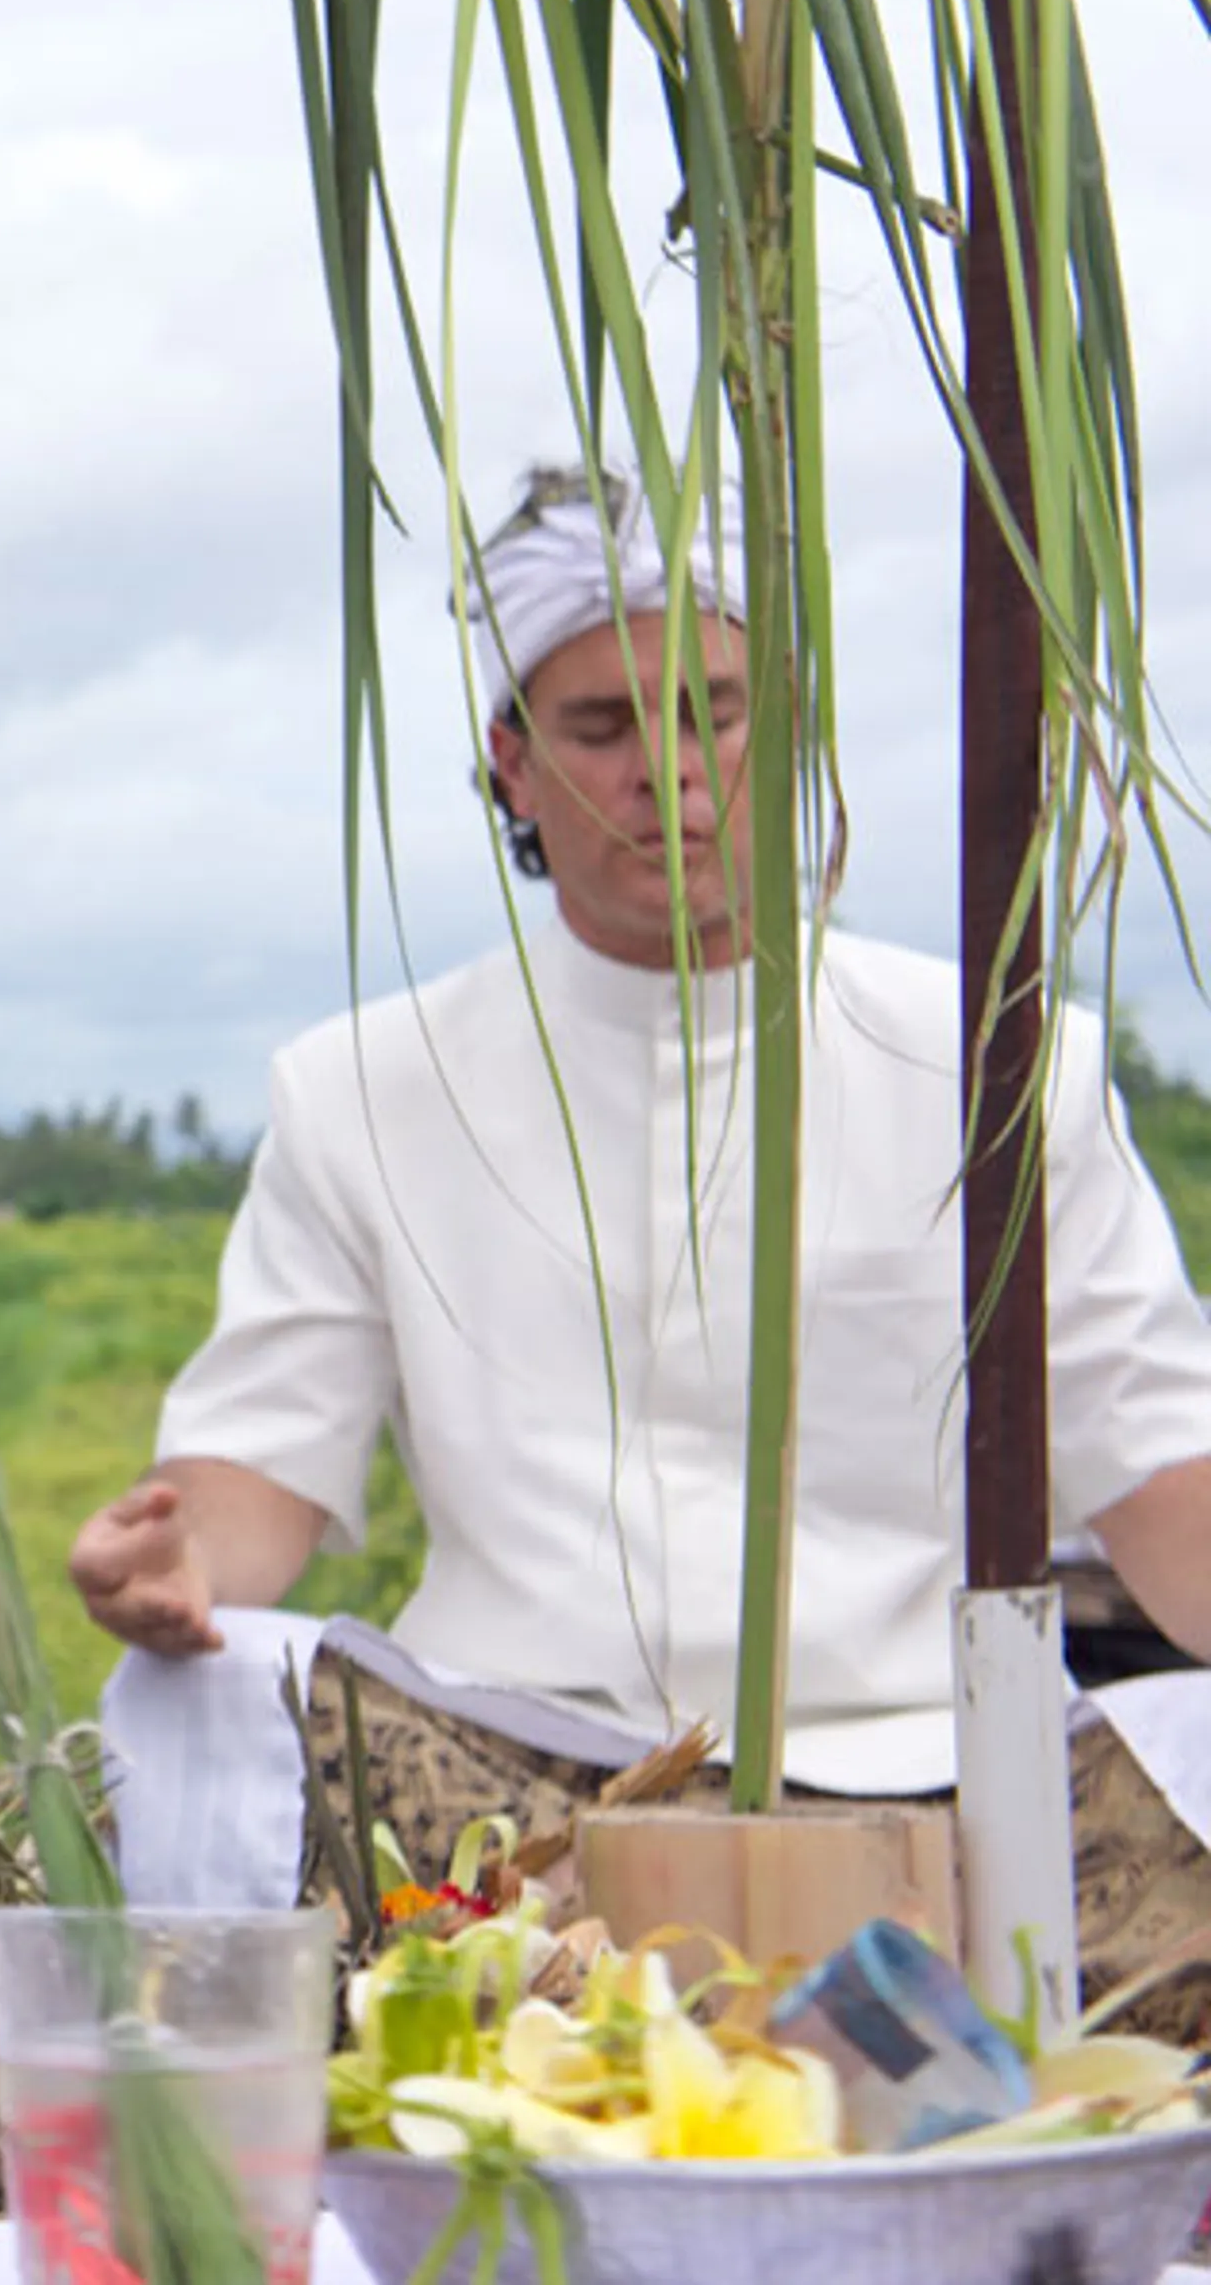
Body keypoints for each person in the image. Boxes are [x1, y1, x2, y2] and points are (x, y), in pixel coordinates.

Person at [65, 466, 1211, 1962]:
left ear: (787, 725)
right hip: (506, 1799)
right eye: (600, 729)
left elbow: (1161, 1469)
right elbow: (253, 1488)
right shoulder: (365, 1087)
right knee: (195, 1700)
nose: (664, 774)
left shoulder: (995, 1062)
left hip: (951, 1784)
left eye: (717, 713)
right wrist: (173, 1566)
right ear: (512, 764)